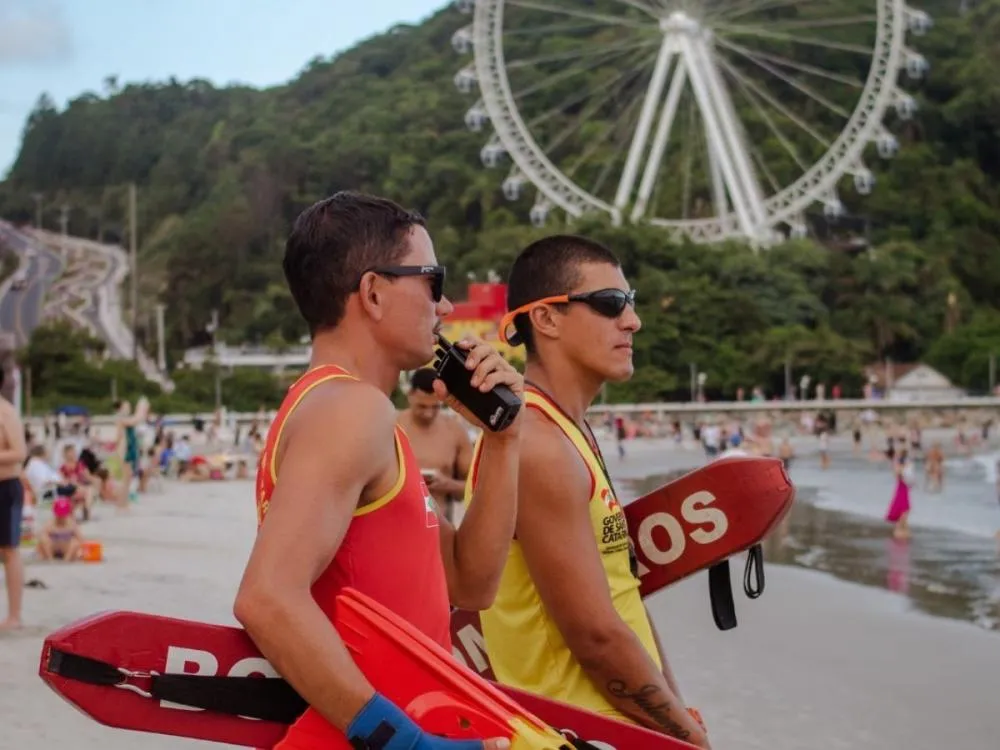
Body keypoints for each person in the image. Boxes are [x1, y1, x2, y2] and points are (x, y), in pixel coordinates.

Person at [233, 191, 523, 750]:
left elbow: (472, 582)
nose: (445, 307)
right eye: (433, 282)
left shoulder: (357, 414)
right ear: (372, 293)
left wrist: (503, 440)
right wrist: (406, 744)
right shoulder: (351, 410)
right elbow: (266, 598)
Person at [465, 235, 709, 748]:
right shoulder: (539, 445)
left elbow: (622, 598)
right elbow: (595, 637)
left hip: (616, 729)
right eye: (610, 303)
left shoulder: (566, 430)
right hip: (578, 734)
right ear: (546, 319)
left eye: (630, 302)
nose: (633, 321)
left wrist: (677, 718)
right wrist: (691, 741)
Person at [397, 367, 474, 524]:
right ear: (410, 395)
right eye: (422, 406)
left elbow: (474, 488)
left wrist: (448, 484)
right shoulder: (392, 426)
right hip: (398, 524)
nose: (428, 413)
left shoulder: (455, 431)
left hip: (440, 527)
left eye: (435, 407)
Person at [0, 367, 27, 630]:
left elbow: (19, 452)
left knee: (9, 549)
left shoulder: (6, 412)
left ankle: (14, 615)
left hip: (6, 486)